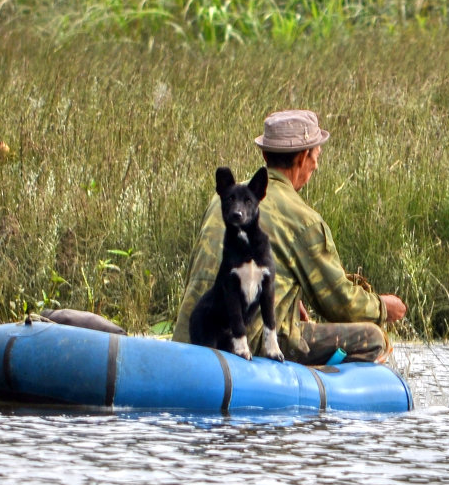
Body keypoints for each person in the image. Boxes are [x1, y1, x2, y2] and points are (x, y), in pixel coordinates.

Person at [173, 109, 407, 364]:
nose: (316, 164)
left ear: (264, 154)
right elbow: (341, 303)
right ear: (305, 156)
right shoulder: (303, 220)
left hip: (192, 335)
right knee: (372, 337)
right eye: (316, 155)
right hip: (241, 344)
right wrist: (383, 307)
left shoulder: (226, 199)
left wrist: (291, 298)